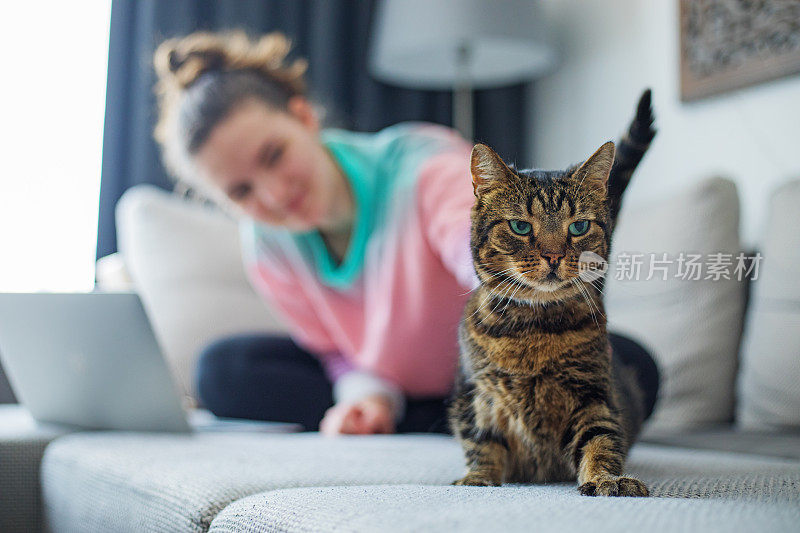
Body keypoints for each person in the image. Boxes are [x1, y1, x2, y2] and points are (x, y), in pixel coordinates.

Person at [152, 31, 659, 435]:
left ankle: (442, 420)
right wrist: (364, 395)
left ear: (302, 117)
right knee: (222, 371)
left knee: (634, 366)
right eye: (241, 192)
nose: (274, 194)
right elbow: (333, 350)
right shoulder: (266, 246)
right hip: (394, 380)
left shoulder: (421, 162)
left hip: (501, 362)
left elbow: (473, 243)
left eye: (273, 155)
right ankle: (416, 418)